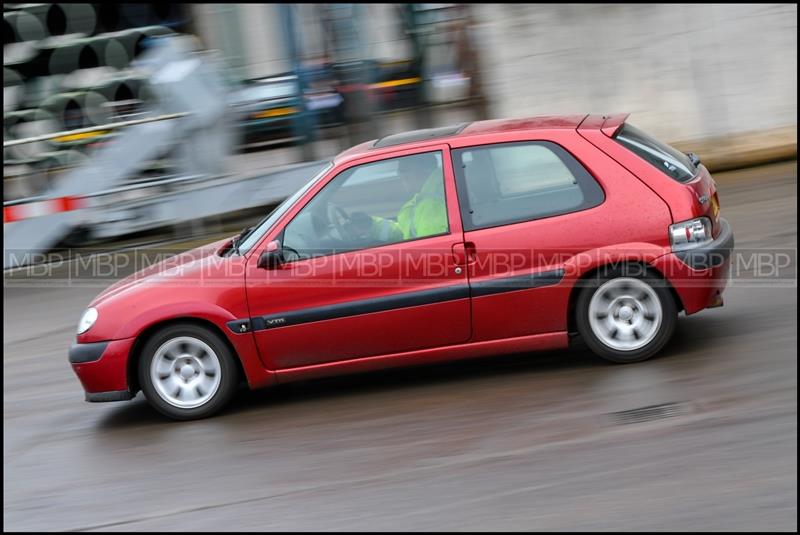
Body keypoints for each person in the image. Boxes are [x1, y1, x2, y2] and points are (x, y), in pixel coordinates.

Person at [349, 153, 448, 244]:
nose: (398, 173)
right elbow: (405, 232)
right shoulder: (424, 197)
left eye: (404, 169)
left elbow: (427, 251)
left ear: (424, 169)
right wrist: (371, 225)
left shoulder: (433, 206)